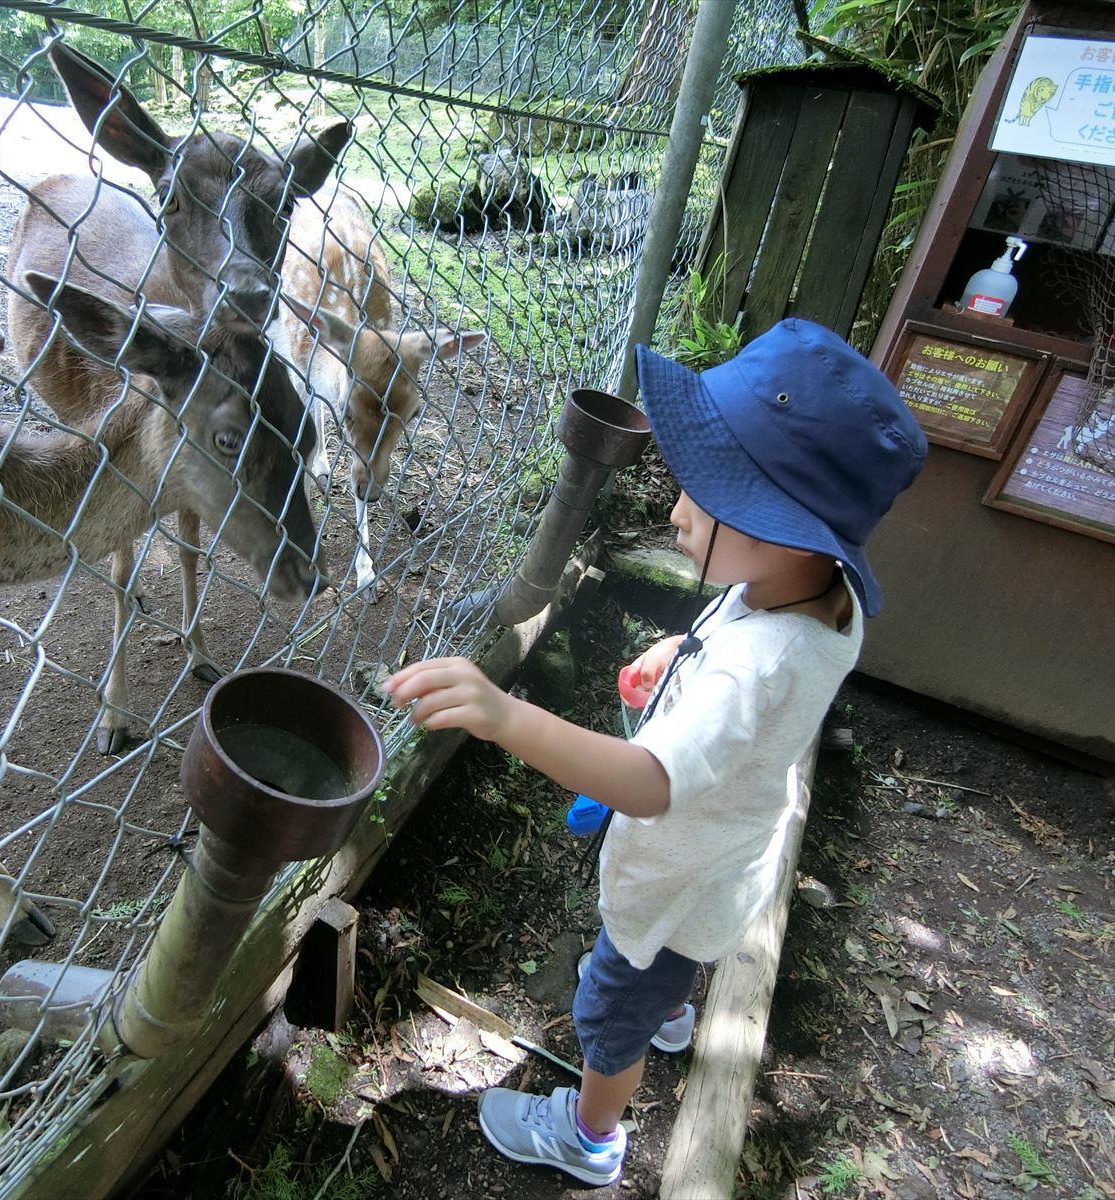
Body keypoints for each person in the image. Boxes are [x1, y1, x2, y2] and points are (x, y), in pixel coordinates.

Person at [385, 319, 927, 1186]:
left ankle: (590, 1137)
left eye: (704, 497)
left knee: (607, 1012)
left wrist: (501, 715)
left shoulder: (755, 667)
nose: (676, 509)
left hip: (675, 868)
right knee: (673, 963)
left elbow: (647, 784)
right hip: (726, 854)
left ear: (785, 528)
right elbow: (753, 671)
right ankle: (673, 1006)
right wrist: (683, 656)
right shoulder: (811, 599)